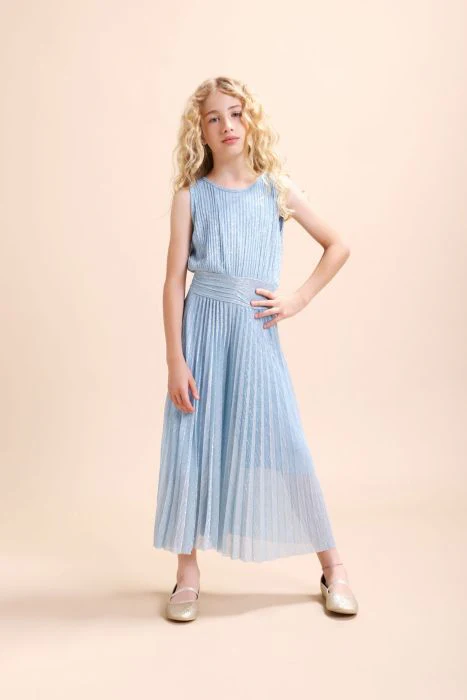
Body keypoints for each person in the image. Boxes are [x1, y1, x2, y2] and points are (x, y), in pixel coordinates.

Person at [153, 76, 359, 621]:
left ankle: (334, 568)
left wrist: (298, 299)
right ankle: (187, 574)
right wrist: (175, 359)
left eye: (236, 113)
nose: (227, 125)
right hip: (201, 332)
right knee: (191, 443)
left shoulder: (276, 189)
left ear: (251, 120)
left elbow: (337, 245)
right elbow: (174, 281)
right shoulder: (190, 196)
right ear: (200, 131)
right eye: (214, 118)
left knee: (285, 441)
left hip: (253, 332)